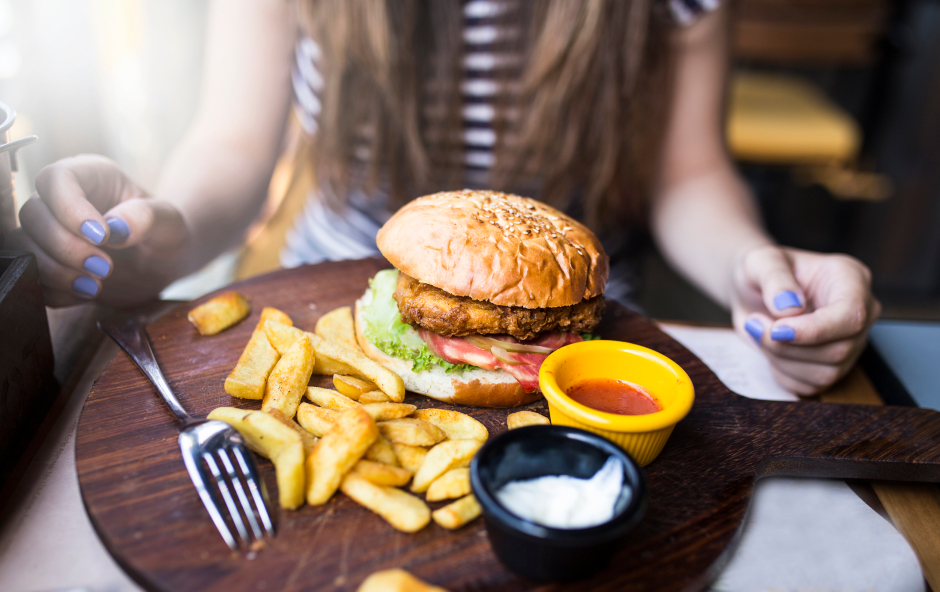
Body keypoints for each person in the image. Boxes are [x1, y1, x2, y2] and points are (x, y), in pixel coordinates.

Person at [8, 0, 879, 395]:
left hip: (590, 327)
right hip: (323, 299)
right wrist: (162, 230)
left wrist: (754, 265)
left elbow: (688, 176)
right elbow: (234, 144)